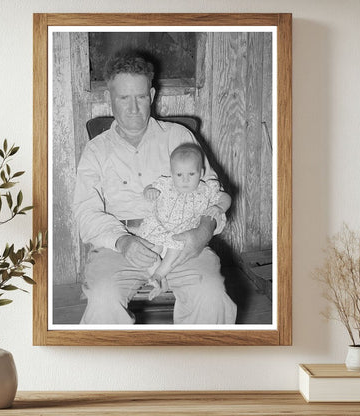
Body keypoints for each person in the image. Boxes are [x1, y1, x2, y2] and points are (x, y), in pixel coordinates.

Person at [73, 51, 237, 324]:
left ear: (151, 96)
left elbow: (213, 191)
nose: (133, 108)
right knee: (103, 301)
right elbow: (85, 212)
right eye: (124, 98)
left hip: (182, 241)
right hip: (120, 246)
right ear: (109, 99)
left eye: (140, 97)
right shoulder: (96, 150)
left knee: (211, 297)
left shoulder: (179, 137)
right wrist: (124, 241)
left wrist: (204, 230)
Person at [138, 143, 232, 300]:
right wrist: (149, 192)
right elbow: (149, 187)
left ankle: (159, 274)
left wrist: (219, 207)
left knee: (174, 247)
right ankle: (160, 280)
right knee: (149, 250)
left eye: (191, 174)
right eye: (179, 175)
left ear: (201, 173)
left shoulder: (206, 190)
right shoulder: (165, 185)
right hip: (159, 227)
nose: (185, 180)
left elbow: (225, 197)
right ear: (172, 173)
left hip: (182, 232)